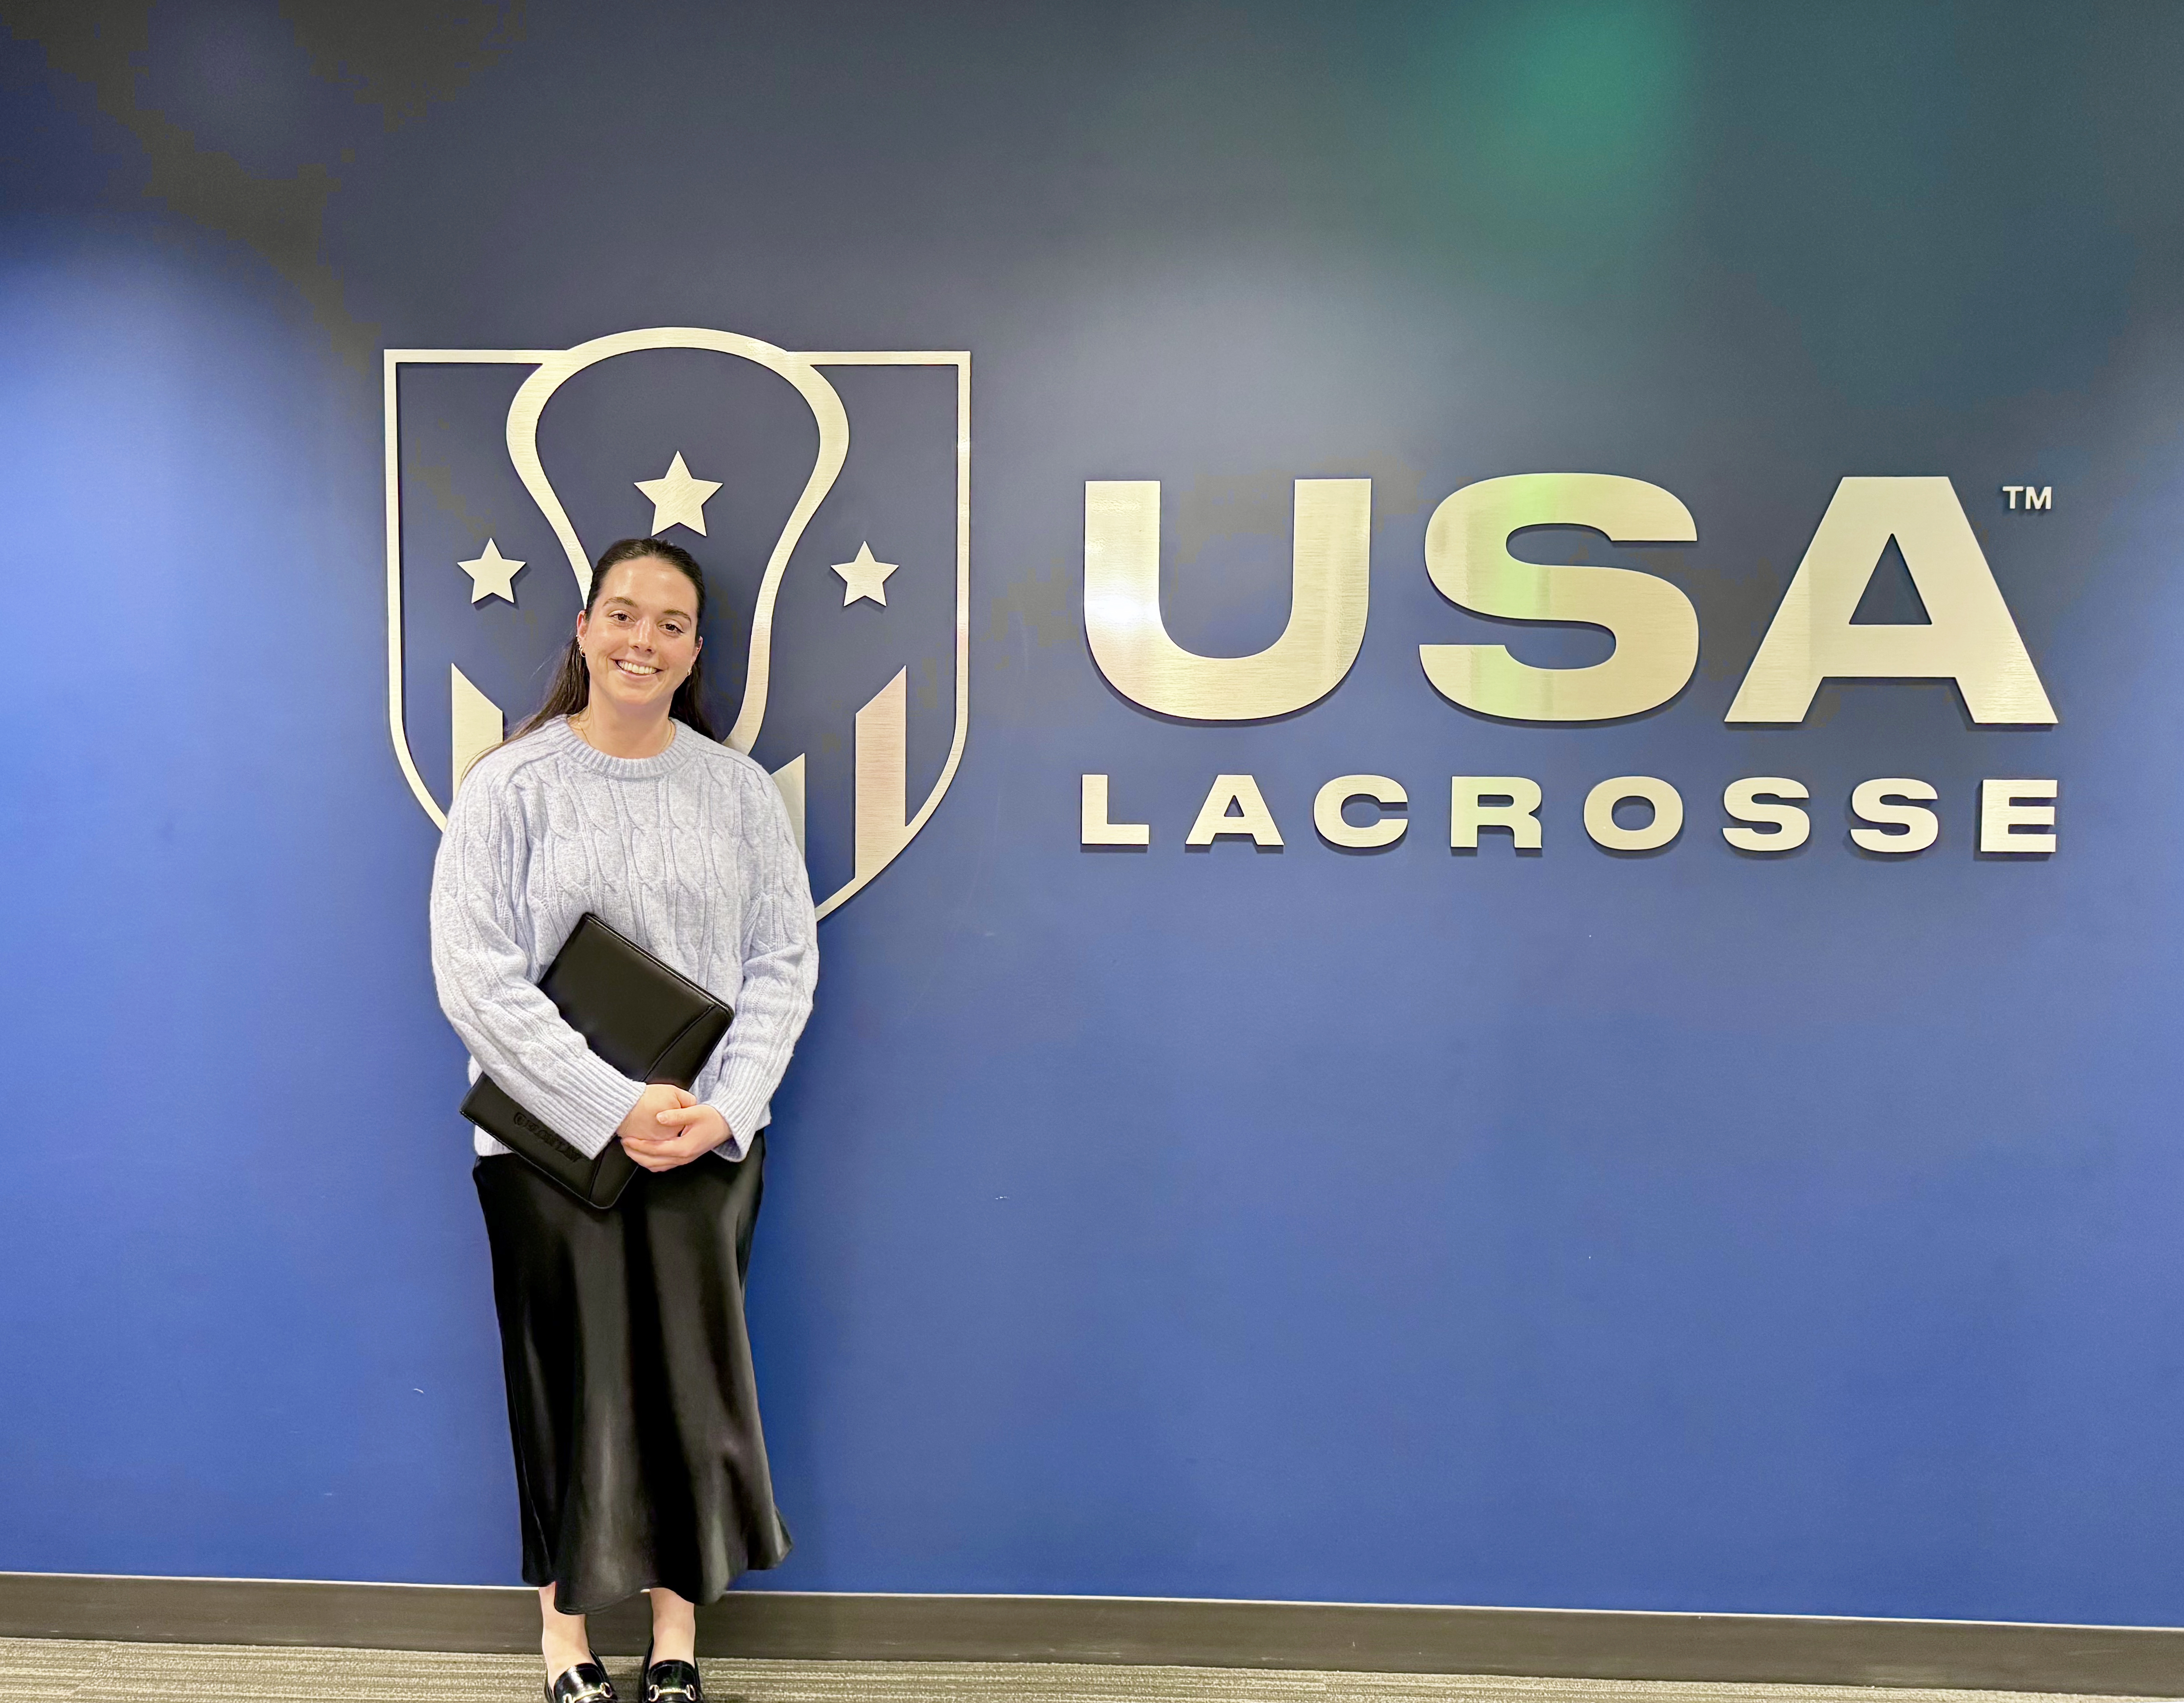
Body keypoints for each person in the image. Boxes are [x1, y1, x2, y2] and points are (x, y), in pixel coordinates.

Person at [430, 537, 817, 1703]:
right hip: (546, 1152)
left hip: (703, 1145)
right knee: (569, 1384)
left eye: (671, 622)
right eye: (622, 614)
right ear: (585, 628)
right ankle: (563, 1639)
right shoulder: (512, 784)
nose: (642, 640)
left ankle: (676, 1641)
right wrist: (613, 1101)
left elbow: (783, 963)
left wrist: (722, 1108)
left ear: (696, 648)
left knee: (686, 1390)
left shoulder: (737, 790)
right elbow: (475, 976)